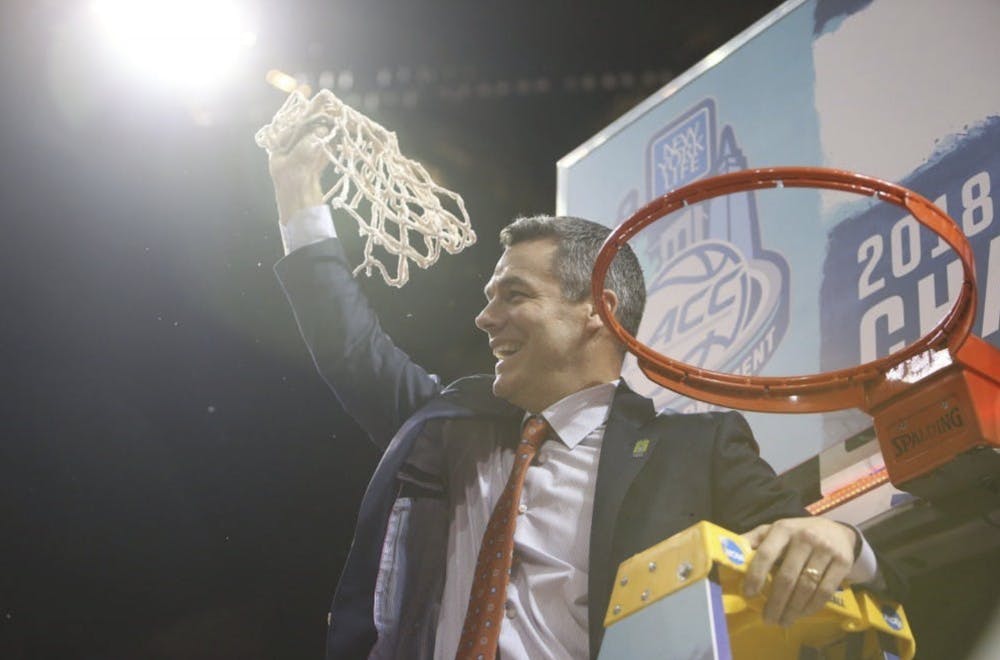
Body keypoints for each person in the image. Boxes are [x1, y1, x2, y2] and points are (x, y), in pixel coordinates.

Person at [267, 126, 895, 659]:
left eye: (514, 296)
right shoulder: (445, 426)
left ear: (598, 310)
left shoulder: (697, 449)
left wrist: (845, 542)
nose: (485, 320)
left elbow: (811, 548)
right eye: (489, 300)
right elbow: (349, 347)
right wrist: (297, 193)